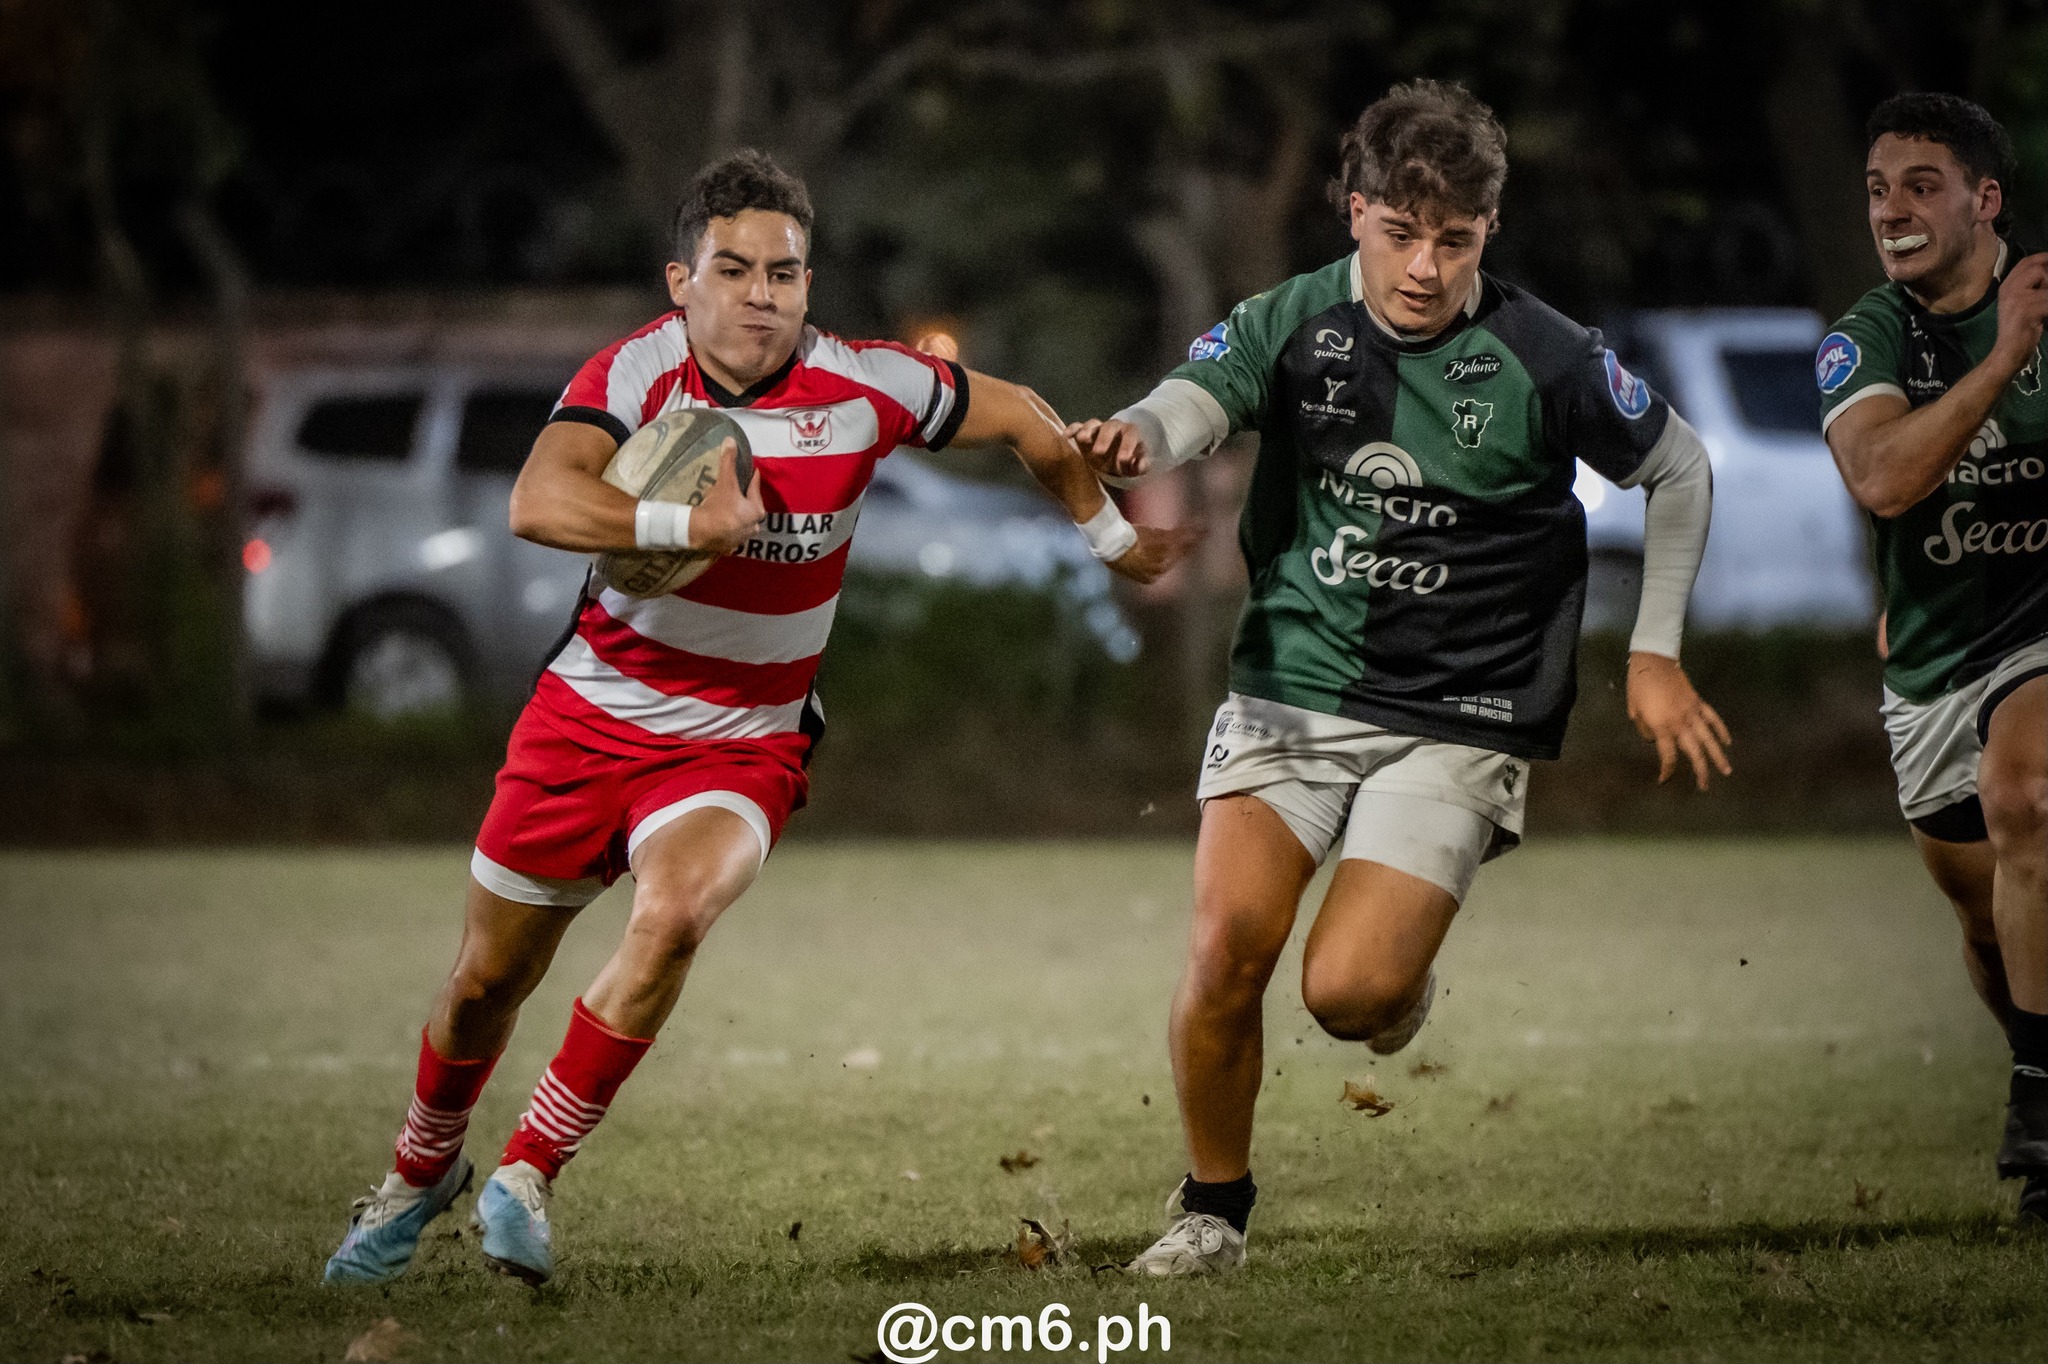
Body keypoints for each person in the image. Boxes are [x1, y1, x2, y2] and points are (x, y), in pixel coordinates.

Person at [322, 149, 1192, 1286]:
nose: (760, 295)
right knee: (486, 983)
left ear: (808, 283)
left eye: (783, 273)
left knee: (677, 912)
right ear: (680, 280)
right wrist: (683, 525)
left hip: (745, 735)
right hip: (588, 718)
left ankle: (527, 1169)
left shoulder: (864, 385)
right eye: (732, 270)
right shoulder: (638, 371)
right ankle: (418, 1170)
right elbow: (538, 499)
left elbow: (1026, 417)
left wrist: (1111, 536)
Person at [1065, 80, 1731, 1275]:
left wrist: (1652, 654)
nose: (1424, 267)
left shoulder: (1545, 355)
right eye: (1399, 233)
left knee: (1348, 994)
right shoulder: (1295, 319)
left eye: (1454, 240)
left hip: (1458, 712)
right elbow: (1191, 401)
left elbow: (1677, 469)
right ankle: (1212, 1210)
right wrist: (1134, 435)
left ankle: (1394, 983)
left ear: (1488, 229)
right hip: (1292, 681)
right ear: (1355, 211)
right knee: (1225, 945)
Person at [1816, 92, 2048, 1223]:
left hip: (2037, 636)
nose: (1891, 211)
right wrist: (2002, 359)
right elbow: (1883, 478)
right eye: (1876, 190)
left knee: (2026, 794)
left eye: (1920, 185)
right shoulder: (1863, 337)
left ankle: (2039, 1109)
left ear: (1983, 199)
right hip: (1930, 662)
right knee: (1986, 926)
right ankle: (2038, 1057)